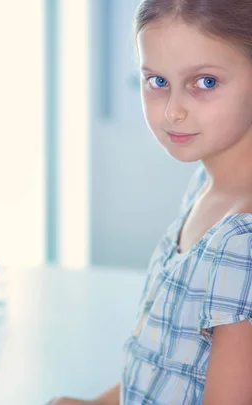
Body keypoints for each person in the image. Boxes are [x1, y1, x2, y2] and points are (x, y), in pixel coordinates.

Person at [47, 0, 252, 404]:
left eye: (205, 82)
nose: (173, 111)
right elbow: (170, 366)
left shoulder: (240, 239)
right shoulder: (206, 185)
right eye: (157, 81)